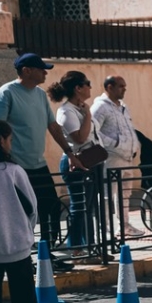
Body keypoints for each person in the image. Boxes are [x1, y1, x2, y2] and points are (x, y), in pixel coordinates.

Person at [0, 53, 83, 271]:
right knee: (20, 214)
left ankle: (46, 256)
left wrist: (69, 153)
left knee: (49, 209)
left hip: (38, 164)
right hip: (15, 167)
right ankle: (25, 259)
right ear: (26, 71)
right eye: (41, 69)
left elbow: (53, 126)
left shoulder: (40, 95)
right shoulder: (6, 93)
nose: (45, 73)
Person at [0, 119, 45, 303]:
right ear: (1, 141)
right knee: (24, 301)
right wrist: (27, 232)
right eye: (9, 139)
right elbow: (31, 207)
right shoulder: (14, 171)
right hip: (17, 246)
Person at [48, 71, 99, 255]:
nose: (90, 87)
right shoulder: (66, 111)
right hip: (76, 162)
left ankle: (91, 247)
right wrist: (88, 115)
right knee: (79, 207)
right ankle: (76, 249)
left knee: (89, 208)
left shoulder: (80, 108)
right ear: (78, 88)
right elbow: (80, 138)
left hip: (91, 160)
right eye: (87, 83)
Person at [92, 75, 142, 237]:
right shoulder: (100, 107)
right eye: (121, 86)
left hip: (127, 157)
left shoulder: (123, 107)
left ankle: (124, 226)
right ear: (109, 87)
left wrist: (134, 145)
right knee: (107, 195)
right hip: (112, 158)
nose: (124, 89)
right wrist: (115, 144)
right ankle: (104, 229)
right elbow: (93, 131)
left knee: (125, 194)